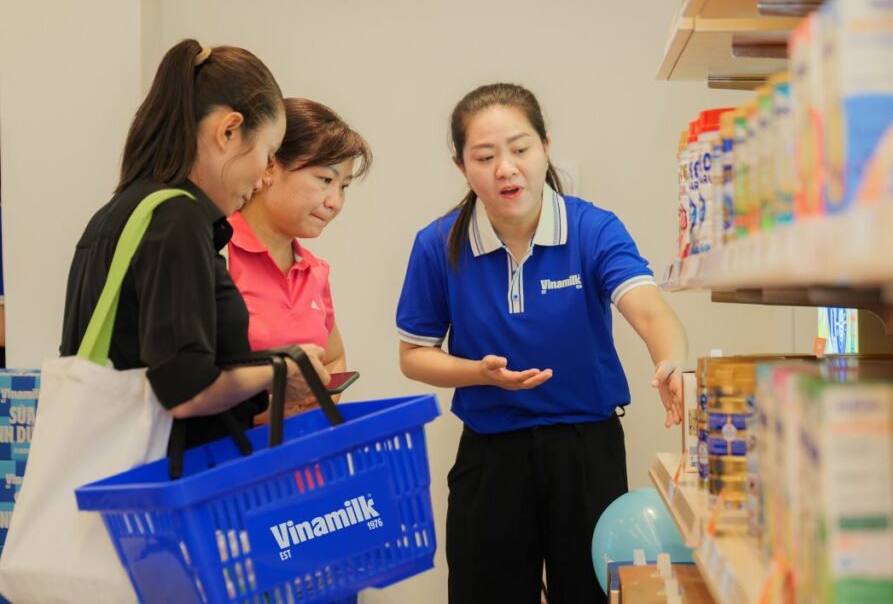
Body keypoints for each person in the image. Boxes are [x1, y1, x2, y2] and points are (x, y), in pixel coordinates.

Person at [395, 83, 688, 603]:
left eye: (520, 149)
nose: (505, 168)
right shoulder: (438, 244)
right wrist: (477, 373)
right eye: (484, 157)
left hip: (585, 450)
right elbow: (414, 356)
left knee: (590, 594)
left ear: (545, 147)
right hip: (490, 455)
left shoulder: (591, 228)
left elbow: (648, 308)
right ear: (462, 166)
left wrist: (671, 362)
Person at [60, 39, 329, 449]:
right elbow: (185, 388)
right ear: (229, 131)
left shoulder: (119, 213)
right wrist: (283, 371)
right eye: (268, 154)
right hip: (176, 476)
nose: (262, 178)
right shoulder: (178, 219)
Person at [226, 97, 371, 420]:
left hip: (305, 450)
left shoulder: (314, 271)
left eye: (344, 187)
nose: (335, 202)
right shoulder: (218, 254)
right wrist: (270, 414)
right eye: (325, 180)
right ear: (269, 166)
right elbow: (191, 384)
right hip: (234, 450)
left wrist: (317, 403)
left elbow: (333, 359)